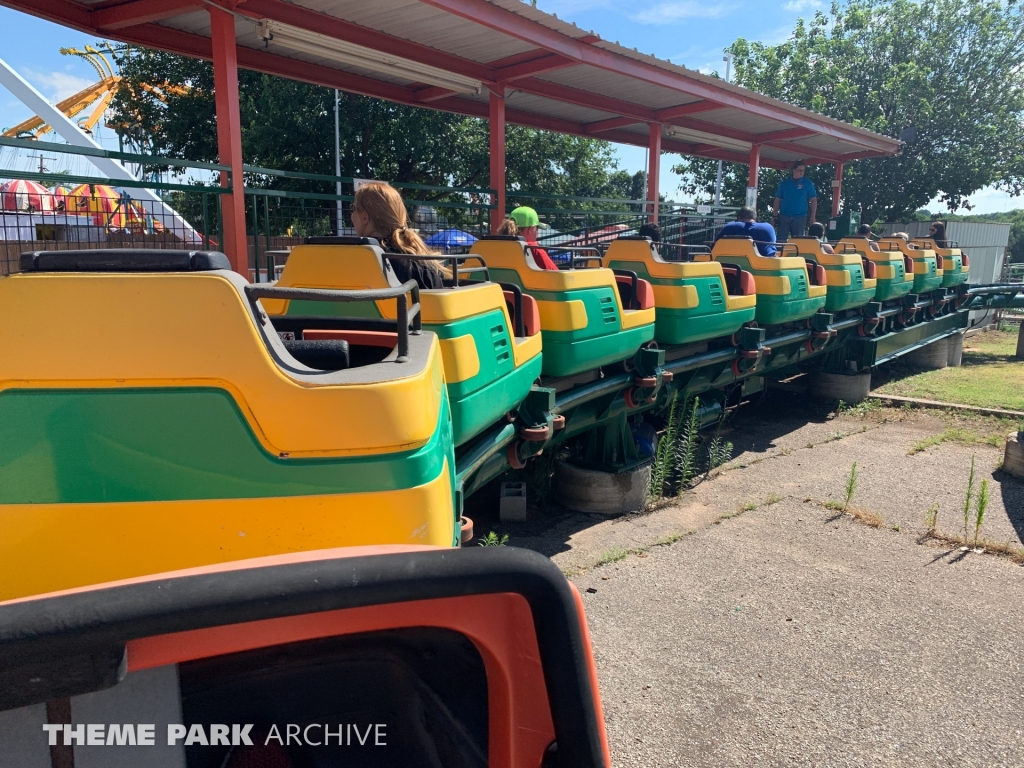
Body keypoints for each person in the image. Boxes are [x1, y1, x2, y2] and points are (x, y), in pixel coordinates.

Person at [350, 182, 450, 289]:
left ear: (364, 217)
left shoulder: (354, 263)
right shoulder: (426, 265)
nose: (351, 215)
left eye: (353, 208)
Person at [772, 160, 817, 239]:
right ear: (794, 170)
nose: (802, 172)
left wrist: (813, 216)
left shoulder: (808, 183)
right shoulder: (784, 183)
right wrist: (774, 216)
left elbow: (813, 200)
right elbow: (777, 200)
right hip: (784, 216)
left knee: (798, 241)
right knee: (780, 241)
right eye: (800, 170)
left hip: (800, 217)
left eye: (803, 170)